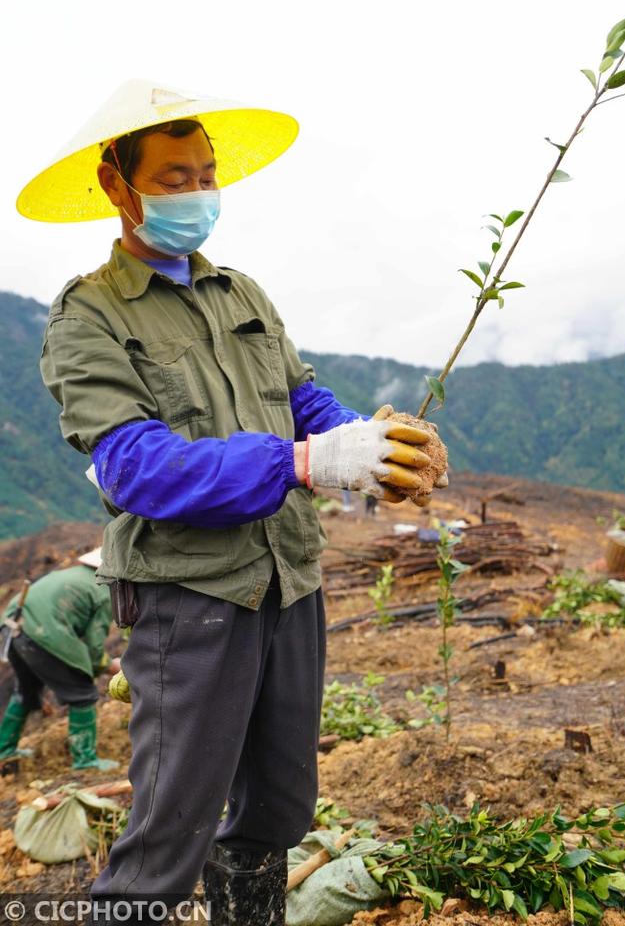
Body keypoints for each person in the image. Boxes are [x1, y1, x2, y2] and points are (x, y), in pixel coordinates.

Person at [19, 80, 447, 924]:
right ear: (117, 185)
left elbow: (303, 399)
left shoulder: (242, 294)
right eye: (174, 177)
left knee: (277, 810)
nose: (197, 194)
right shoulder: (89, 315)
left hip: (291, 581)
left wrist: (370, 444)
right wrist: (306, 461)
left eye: (206, 175)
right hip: (193, 599)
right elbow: (138, 467)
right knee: (166, 835)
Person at [0, 548, 121, 771]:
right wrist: (112, 666)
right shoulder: (102, 591)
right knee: (82, 694)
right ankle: (85, 761)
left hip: (12, 626)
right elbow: (94, 650)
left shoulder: (68, 574)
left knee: (26, 690)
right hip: (42, 634)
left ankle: (4, 751)